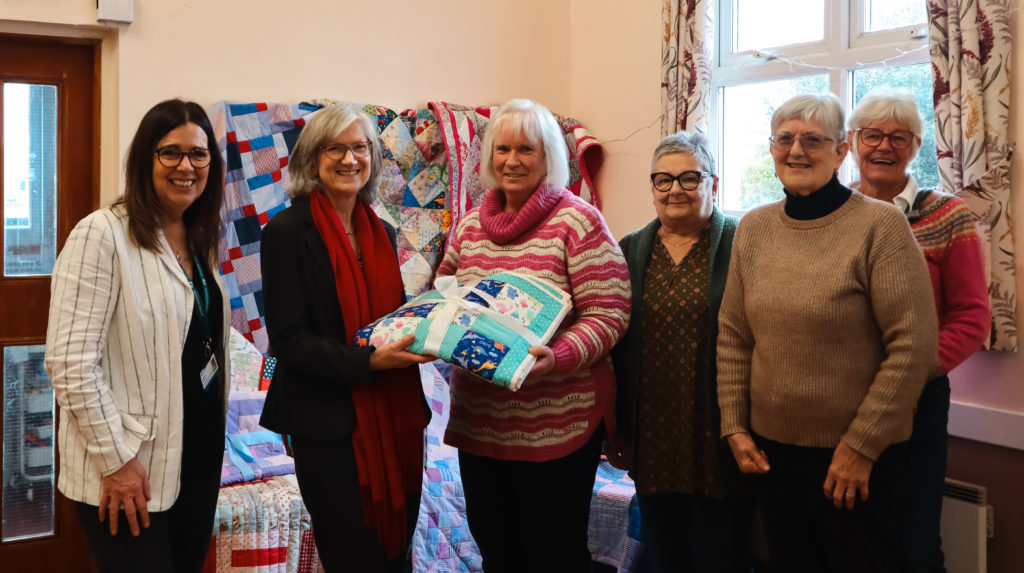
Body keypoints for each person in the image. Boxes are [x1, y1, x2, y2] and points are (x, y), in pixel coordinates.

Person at [716, 93, 941, 573]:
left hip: (856, 461)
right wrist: (734, 425)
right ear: (772, 148)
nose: (797, 151)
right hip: (772, 455)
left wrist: (860, 447)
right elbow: (734, 336)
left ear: (841, 151)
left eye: (813, 140)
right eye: (785, 139)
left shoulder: (881, 227)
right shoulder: (753, 229)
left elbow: (914, 348)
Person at [435, 99, 631, 573]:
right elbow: (444, 298)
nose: (512, 160)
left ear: (550, 159)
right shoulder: (468, 227)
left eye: (527, 148)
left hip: (558, 422)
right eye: (502, 148)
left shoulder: (577, 222)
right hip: (481, 422)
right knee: (498, 550)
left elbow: (610, 312)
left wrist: (558, 356)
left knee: (554, 554)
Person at [45, 99, 230, 573]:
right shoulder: (102, 234)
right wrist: (116, 461)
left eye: (198, 154)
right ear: (144, 158)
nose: (186, 166)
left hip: (196, 462)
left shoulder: (199, 238)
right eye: (170, 152)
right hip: (132, 471)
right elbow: (69, 364)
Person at [258, 105, 433, 572]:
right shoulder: (286, 232)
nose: (349, 159)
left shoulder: (383, 232)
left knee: (396, 557)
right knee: (352, 557)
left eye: (360, 147)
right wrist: (368, 363)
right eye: (335, 147)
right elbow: (290, 341)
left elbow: (390, 321)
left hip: (396, 421)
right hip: (330, 429)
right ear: (312, 159)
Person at [849, 87, 989, 573]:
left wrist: (907, 379)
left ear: (915, 147)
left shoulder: (948, 215)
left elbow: (972, 318)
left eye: (899, 137)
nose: (884, 146)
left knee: (914, 544)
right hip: (841, 400)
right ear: (851, 141)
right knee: (854, 540)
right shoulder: (832, 212)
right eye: (872, 135)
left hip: (916, 401)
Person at [611, 131, 753, 573]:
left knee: (720, 555)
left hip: (720, 428)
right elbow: (614, 338)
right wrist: (617, 430)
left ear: (713, 183)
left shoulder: (742, 243)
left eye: (690, 178)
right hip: (653, 433)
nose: (675, 189)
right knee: (665, 552)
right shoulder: (631, 249)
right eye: (663, 180)